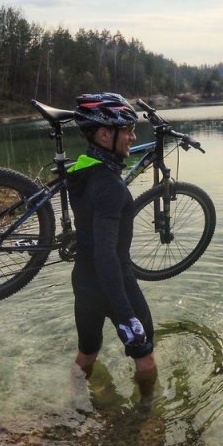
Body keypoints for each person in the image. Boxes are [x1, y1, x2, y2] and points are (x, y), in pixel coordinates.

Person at [67, 92, 156, 386]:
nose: (132, 137)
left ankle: (74, 402)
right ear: (105, 135)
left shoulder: (80, 171)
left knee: (87, 352)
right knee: (145, 357)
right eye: (127, 131)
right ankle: (147, 422)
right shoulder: (111, 188)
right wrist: (127, 314)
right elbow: (106, 255)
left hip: (83, 282)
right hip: (113, 283)